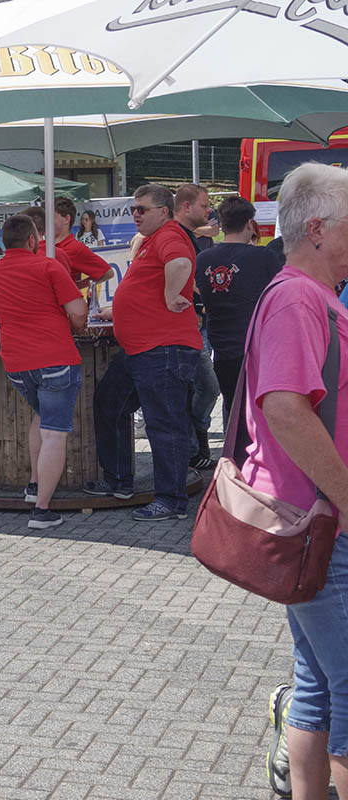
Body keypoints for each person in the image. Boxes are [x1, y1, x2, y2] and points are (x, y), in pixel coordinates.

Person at [243, 163, 348, 800]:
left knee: (316, 686)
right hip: (322, 525)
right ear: (317, 229)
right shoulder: (298, 297)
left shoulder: (308, 294)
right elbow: (284, 405)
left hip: (313, 524)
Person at [87, 184, 201, 521]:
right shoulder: (154, 239)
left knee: (164, 426)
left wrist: (169, 295)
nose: (134, 214)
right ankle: (120, 480)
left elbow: (180, 264)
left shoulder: (169, 235)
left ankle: (172, 500)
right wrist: (119, 310)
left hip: (163, 350)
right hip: (144, 349)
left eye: (142, 209)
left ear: (163, 212)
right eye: (133, 209)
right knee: (110, 405)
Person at [0, 215, 89, 528]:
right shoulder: (48, 266)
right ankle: (42, 510)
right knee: (54, 432)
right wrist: (74, 324)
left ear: (4, 241)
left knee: (42, 417)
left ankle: (33, 486)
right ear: (33, 240)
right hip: (55, 357)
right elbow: (79, 311)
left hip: (16, 362)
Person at [194, 196, 282, 424]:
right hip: (256, 349)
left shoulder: (203, 259)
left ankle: (231, 453)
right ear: (250, 223)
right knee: (257, 416)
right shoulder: (263, 257)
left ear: (221, 225)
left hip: (222, 348)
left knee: (232, 409)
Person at [175, 184, 221, 470]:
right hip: (183, 325)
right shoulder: (175, 236)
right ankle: (196, 441)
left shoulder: (191, 236)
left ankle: (198, 438)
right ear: (187, 207)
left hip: (200, 320)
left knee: (204, 388)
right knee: (206, 386)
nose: (209, 213)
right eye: (205, 206)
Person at [52, 197, 116, 288]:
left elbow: (107, 273)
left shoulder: (75, 248)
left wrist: (75, 286)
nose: (46, 221)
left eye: (50, 217)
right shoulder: (41, 244)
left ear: (66, 219)